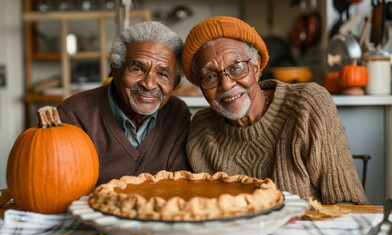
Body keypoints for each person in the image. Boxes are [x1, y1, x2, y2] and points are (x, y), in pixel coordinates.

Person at [182, 16, 368, 205]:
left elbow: (348, 205)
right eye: (210, 76)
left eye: (236, 67)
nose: (227, 84)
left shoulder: (307, 105)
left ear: (255, 68)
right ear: (200, 85)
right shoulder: (201, 130)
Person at [57, 21, 192, 185]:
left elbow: (177, 186)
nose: (149, 84)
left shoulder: (177, 113)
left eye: (163, 74)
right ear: (115, 69)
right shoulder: (74, 115)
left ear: (175, 82)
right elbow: (64, 188)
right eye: (137, 69)